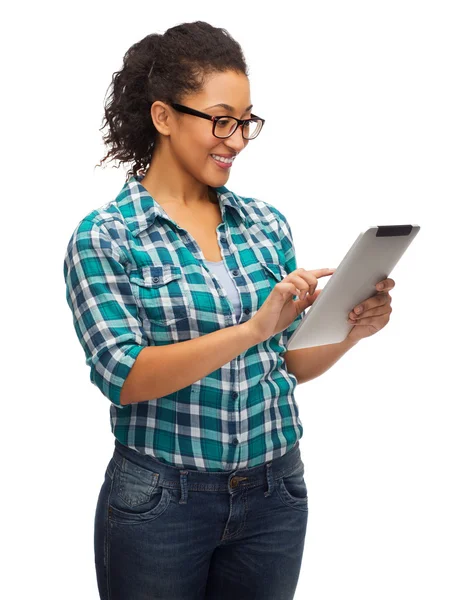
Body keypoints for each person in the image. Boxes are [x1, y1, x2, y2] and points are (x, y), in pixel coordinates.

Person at [63, 20, 393, 600]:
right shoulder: (106, 237)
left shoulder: (264, 224)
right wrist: (252, 328)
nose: (236, 140)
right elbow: (124, 376)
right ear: (164, 117)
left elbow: (286, 361)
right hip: (162, 502)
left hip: (275, 491)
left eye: (245, 123)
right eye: (220, 120)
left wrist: (349, 333)